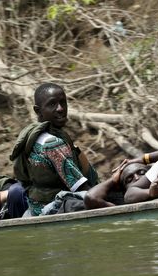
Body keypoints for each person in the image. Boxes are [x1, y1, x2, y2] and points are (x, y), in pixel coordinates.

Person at [10, 82, 99, 216]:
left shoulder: (31, 137)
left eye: (63, 102)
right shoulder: (52, 143)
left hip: (35, 208)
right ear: (37, 110)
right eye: (52, 104)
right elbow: (81, 188)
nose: (60, 108)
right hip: (54, 209)